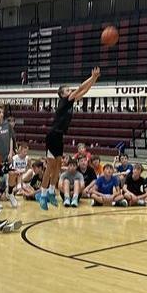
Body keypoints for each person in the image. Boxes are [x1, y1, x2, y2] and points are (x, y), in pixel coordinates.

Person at [37, 67, 101, 210]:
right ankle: (43, 194)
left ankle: (51, 192)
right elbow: (80, 88)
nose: (70, 91)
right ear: (62, 94)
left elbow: (84, 91)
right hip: (53, 135)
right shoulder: (65, 101)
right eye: (67, 90)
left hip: (59, 136)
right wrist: (92, 77)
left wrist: (95, 79)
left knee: (58, 166)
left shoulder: (70, 102)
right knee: (50, 166)